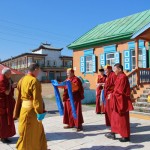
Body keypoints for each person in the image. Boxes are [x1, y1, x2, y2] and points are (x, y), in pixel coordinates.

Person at [14, 63, 47, 150]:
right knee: (31, 134)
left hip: (24, 108)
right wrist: (40, 113)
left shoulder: (22, 79)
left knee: (26, 131)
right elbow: (37, 99)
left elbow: (18, 95)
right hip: (31, 110)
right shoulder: (34, 81)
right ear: (35, 69)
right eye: (39, 70)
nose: (39, 72)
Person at [105, 63, 134, 142]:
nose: (114, 71)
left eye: (115, 69)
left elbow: (120, 91)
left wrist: (112, 95)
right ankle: (113, 132)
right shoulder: (119, 77)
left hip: (121, 101)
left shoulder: (123, 77)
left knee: (122, 119)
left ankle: (125, 136)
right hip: (117, 100)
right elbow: (116, 89)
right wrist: (112, 94)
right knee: (115, 117)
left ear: (120, 69)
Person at [0, 68, 16, 143]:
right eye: (10, 73)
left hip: (6, 102)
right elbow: (6, 92)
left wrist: (12, 86)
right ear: (6, 73)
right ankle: (3, 137)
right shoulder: (2, 80)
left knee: (5, 120)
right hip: (3, 104)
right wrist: (10, 85)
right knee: (4, 121)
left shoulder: (5, 78)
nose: (11, 74)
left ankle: (5, 136)